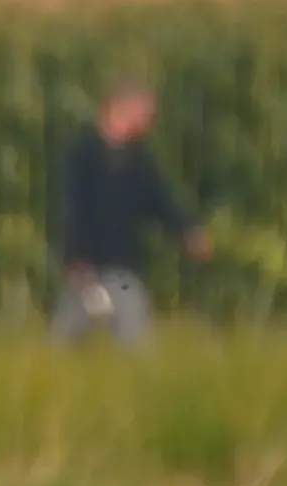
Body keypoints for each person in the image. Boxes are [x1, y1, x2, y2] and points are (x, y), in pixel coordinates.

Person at [49, 80, 211, 346]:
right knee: (68, 336)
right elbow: (71, 207)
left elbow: (160, 201)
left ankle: (139, 384)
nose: (150, 121)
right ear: (122, 108)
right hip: (85, 267)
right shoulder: (83, 153)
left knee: (134, 334)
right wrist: (76, 257)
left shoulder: (138, 159)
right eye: (146, 114)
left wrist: (188, 231)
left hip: (121, 267)